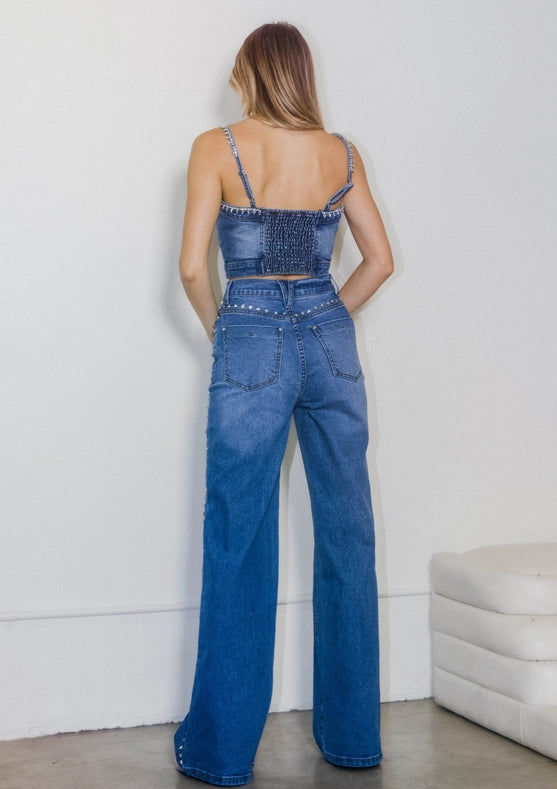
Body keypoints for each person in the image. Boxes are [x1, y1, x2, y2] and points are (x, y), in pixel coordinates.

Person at [174, 21, 394, 786]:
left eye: (239, 70)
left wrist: (222, 328)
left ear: (253, 72)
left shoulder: (216, 147)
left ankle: (220, 752)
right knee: (347, 534)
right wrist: (325, 316)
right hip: (330, 338)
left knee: (237, 535)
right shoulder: (340, 152)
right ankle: (353, 738)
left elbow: (190, 267)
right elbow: (378, 260)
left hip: (250, 331)